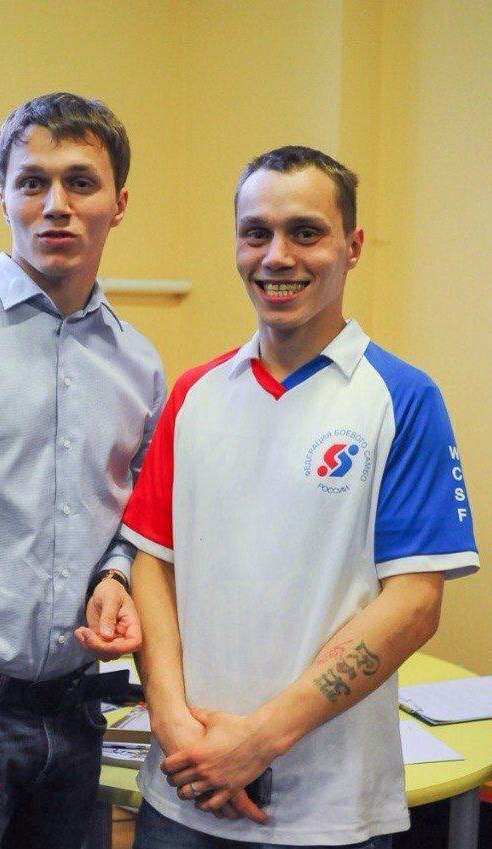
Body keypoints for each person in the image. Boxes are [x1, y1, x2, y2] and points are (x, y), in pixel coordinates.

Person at [121, 146, 479, 848]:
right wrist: (171, 721)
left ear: (352, 247)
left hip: (330, 811)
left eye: (305, 232)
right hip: (182, 788)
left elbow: (413, 603)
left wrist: (257, 741)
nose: (276, 256)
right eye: (256, 233)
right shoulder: (194, 394)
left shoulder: (402, 398)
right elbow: (151, 563)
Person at [0, 92, 165, 848]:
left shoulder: (139, 365)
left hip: (76, 719)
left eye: (80, 182)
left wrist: (117, 572)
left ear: (118, 203)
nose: (56, 205)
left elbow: (134, 514)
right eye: (33, 181)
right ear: (2, 194)